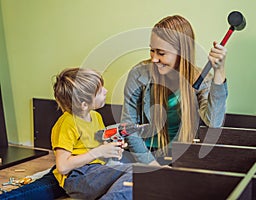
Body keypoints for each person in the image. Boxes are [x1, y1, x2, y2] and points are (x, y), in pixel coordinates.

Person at [0, 68, 132, 200]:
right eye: (100, 90)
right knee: (134, 174)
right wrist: (99, 152)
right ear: (84, 104)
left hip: (92, 171)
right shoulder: (67, 123)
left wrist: (111, 148)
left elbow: (98, 144)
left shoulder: (95, 116)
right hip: (78, 175)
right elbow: (63, 167)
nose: (106, 91)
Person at [121, 15, 228, 165]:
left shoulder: (201, 80)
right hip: (144, 157)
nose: (154, 59)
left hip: (183, 158)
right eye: (152, 50)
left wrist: (219, 72)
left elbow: (213, 122)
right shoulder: (139, 74)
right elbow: (129, 127)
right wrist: (151, 165)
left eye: (161, 53)